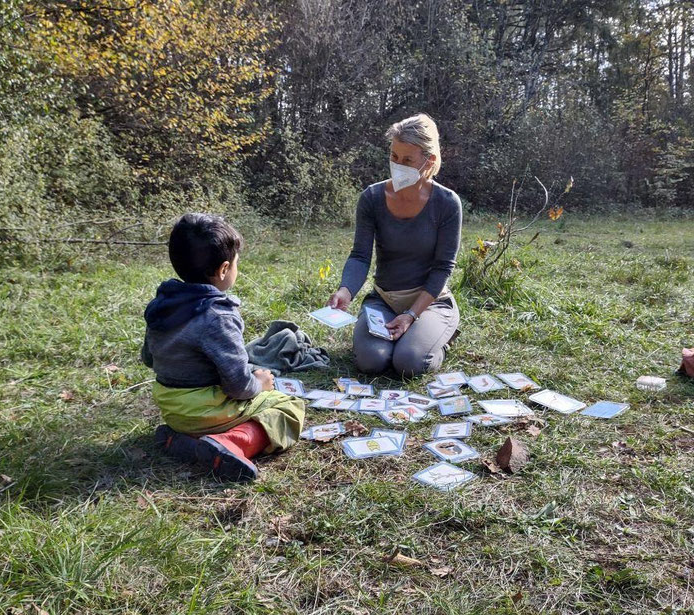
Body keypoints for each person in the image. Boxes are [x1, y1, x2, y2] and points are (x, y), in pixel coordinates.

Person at [142, 213, 305, 482]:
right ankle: (233, 443)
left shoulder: (162, 304)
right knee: (288, 407)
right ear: (224, 269)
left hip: (172, 408)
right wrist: (260, 384)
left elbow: (149, 358)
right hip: (207, 409)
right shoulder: (219, 316)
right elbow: (238, 387)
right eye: (237, 264)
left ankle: (186, 439)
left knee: (242, 403)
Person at [329, 113, 462, 377]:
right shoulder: (372, 197)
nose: (398, 165)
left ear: (429, 160)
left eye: (407, 160)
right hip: (384, 300)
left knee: (409, 363)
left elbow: (443, 268)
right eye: (394, 157)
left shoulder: (447, 203)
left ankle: (437, 337)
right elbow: (359, 255)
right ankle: (408, 337)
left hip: (429, 303)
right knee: (371, 362)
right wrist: (346, 290)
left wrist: (412, 315)